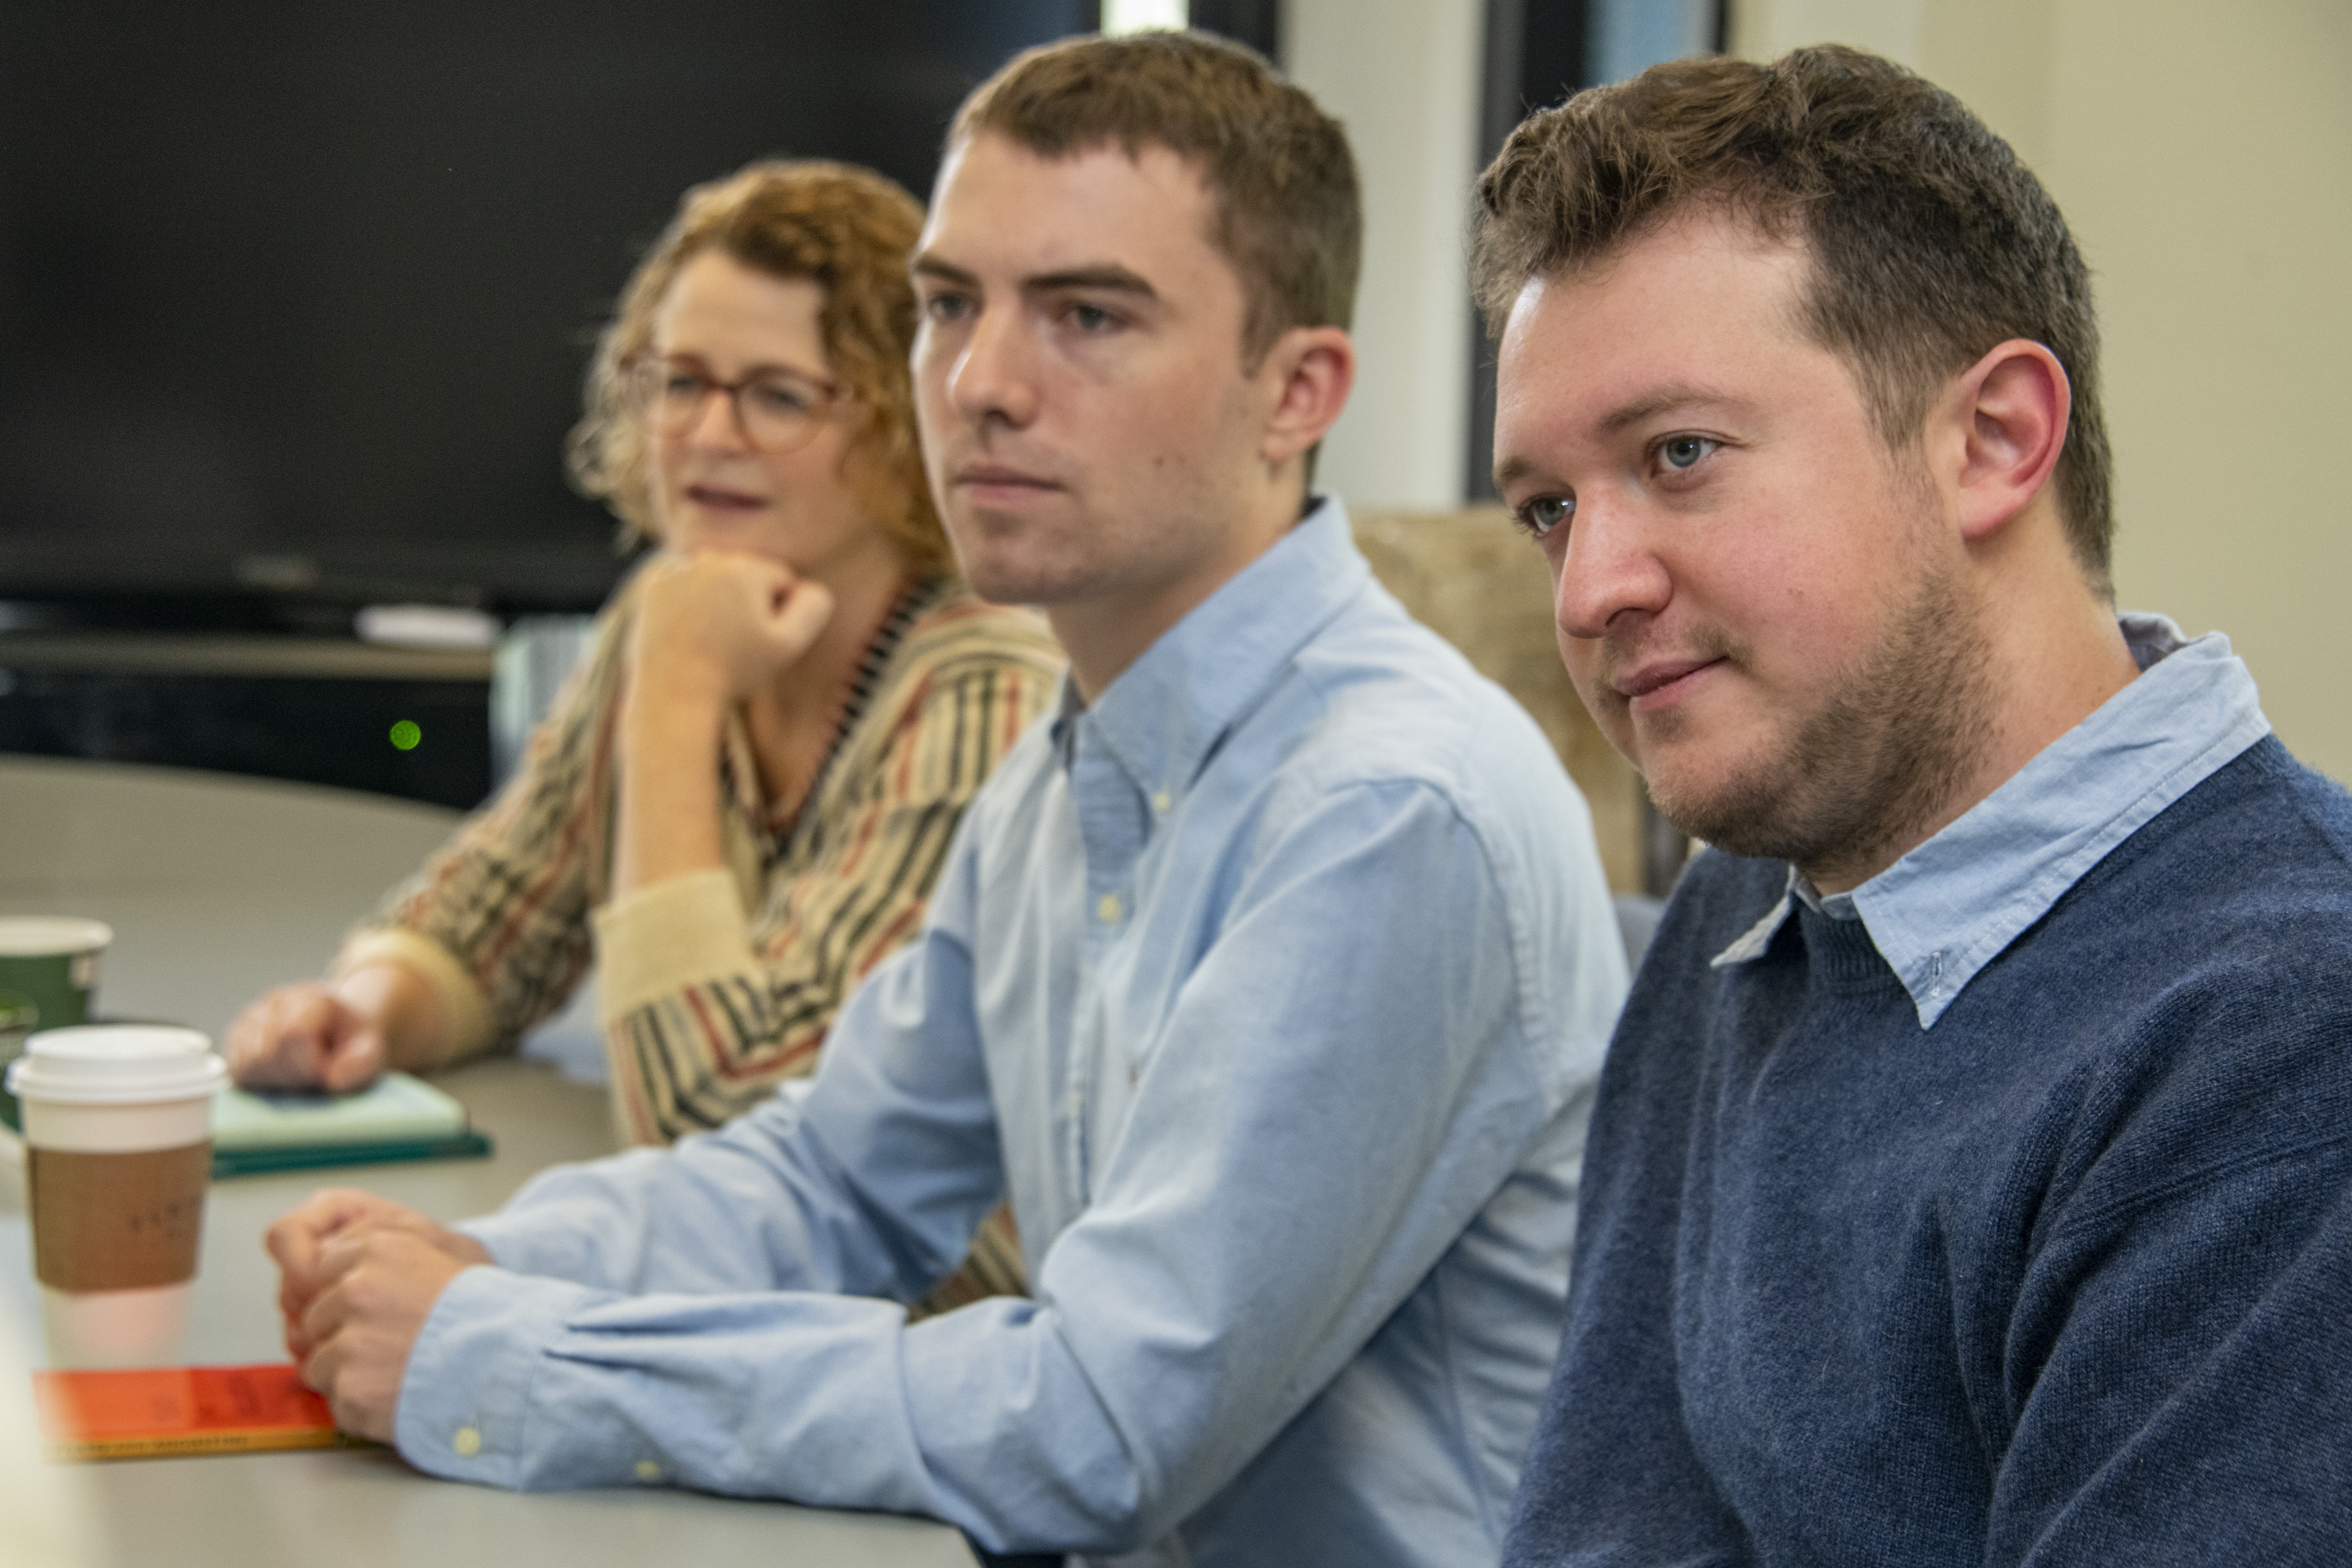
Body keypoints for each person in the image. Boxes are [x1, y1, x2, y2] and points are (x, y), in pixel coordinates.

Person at [264, 30, 1626, 1566]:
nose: (979, 385)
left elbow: (1097, 1431)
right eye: (948, 307)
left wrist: (512, 1353)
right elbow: (835, 1183)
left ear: (1295, 392)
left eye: (1088, 316)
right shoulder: (1074, 755)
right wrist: (479, 1259)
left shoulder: (1386, 808)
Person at [1477, 45, 2352, 1566]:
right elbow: (1609, 1523)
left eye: (1680, 455)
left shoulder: (2282, 1040)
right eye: (1549, 508)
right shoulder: (1757, 887)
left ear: (1995, 439)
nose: (1590, 587)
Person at [219, 163, 1062, 1157]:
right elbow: (494, 924)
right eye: (681, 382)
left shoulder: (988, 696)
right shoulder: (675, 610)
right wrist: (366, 1010)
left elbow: (725, 1123)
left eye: (779, 397)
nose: (709, 435)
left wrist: (676, 697)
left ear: (904, 423)